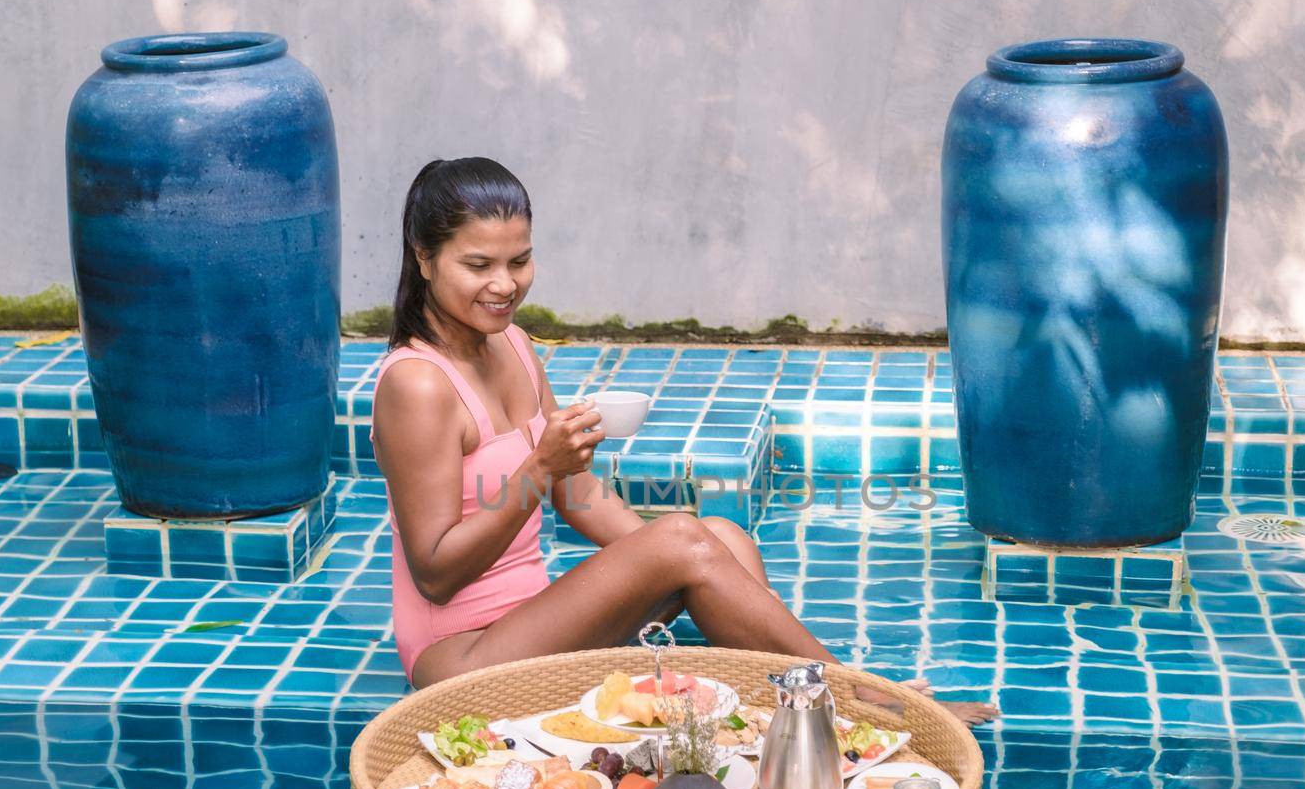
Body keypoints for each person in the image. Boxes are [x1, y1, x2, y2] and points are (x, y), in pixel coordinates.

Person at [369, 157, 998, 725]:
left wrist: (677, 552)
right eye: (478, 265)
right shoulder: (418, 385)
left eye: (519, 260)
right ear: (423, 258)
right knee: (682, 539)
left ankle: (790, 710)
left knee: (718, 536)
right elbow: (435, 573)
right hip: (462, 661)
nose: (504, 284)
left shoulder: (513, 344)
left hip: (533, 628)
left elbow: (579, 492)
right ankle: (861, 701)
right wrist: (541, 470)